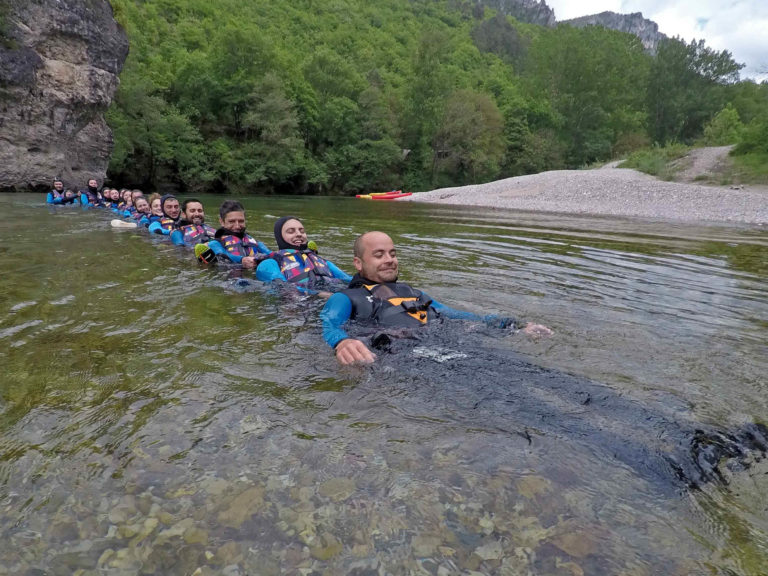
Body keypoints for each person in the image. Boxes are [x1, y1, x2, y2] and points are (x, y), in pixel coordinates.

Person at [321, 231, 552, 365]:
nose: (390, 259)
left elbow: (457, 314)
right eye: (379, 255)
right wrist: (343, 342)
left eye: (393, 253)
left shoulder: (414, 293)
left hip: (446, 344)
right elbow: (328, 325)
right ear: (358, 263)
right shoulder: (346, 298)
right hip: (403, 358)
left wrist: (514, 324)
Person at [255, 216, 352, 291]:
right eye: (291, 231)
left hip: (333, 295)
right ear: (279, 237)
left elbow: (348, 280)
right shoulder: (269, 263)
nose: (299, 234)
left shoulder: (323, 262)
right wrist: (319, 294)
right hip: (300, 305)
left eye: (302, 231)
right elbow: (282, 289)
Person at [201, 200, 270, 268]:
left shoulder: (256, 242)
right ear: (222, 222)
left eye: (241, 221)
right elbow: (222, 254)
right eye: (231, 221)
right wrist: (242, 260)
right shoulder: (214, 244)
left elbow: (270, 254)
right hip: (230, 275)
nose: (237, 226)